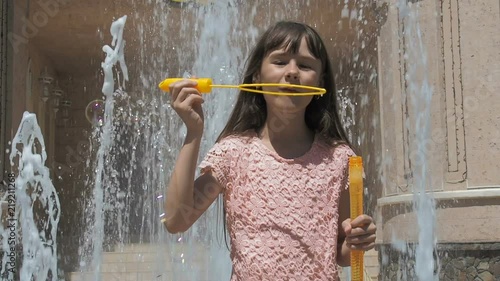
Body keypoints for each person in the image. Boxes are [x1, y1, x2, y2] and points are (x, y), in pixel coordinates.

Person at [163, 21, 377, 280]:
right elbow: (176, 220)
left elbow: (340, 253)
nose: (293, 72)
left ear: (320, 82)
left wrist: (356, 241)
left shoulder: (340, 158)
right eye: (280, 61)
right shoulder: (233, 153)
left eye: (305, 65)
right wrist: (193, 133)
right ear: (257, 77)